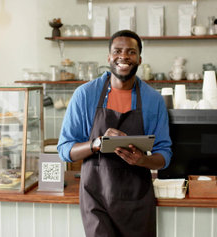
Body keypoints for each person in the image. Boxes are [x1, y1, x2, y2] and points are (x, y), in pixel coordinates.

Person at [57, 30, 172, 237]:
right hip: (96, 200)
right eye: (117, 51)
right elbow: (65, 150)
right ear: (109, 57)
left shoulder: (152, 99)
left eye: (131, 52)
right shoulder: (85, 95)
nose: (124, 56)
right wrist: (96, 144)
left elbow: (164, 154)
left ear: (139, 59)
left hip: (137, 200)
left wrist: (142, 160)